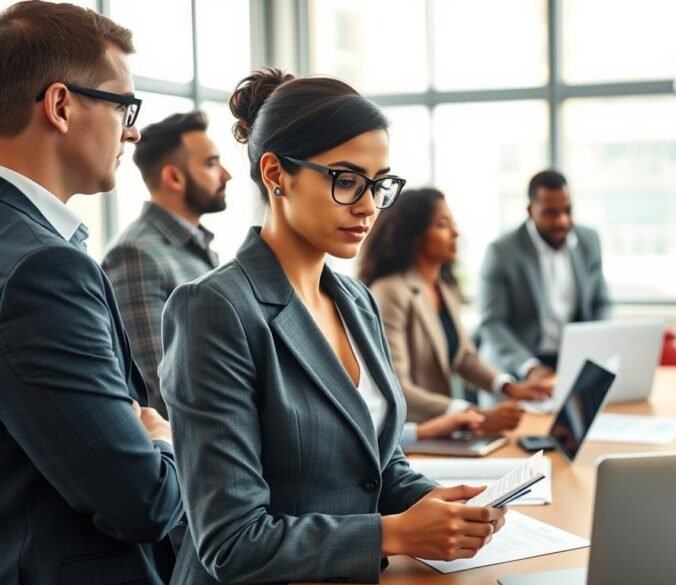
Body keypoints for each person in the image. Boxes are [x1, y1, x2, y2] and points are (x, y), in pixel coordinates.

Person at [160, 69, 505, 584]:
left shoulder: (355, 301)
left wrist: (440, 503)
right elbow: (231, 542)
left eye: (378, 183)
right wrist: (397, 533)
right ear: (276, 174)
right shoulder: (215, 309)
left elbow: (379, 469)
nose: (368, 206)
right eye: (346, 181)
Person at [0, 2, 183, 583]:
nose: (132, 129)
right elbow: (142, 502)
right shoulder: (42, 268)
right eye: (124, 105)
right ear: (60, 105)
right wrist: (167, 440)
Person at [358, 188, 552, 438]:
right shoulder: (390, 292)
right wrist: (472, 413)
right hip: (413, 435)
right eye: (442, 224)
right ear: (414, 235)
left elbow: (464, 358)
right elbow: (396, 387)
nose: (456, 232)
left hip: (449, 431)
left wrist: (510, 387)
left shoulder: (445, 287)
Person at [102, 111, 229, 416]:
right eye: (211, 164)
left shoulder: (197, 247)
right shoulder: (136, 254)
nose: (226, 175)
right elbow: (157, 388)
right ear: (173, 177)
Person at [477, 170, 613, 382]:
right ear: (530, 211)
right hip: (519, 365)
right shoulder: (501, 252)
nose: (562, 221)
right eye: (550, 213)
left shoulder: (589, 240)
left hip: (573, 361)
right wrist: (529, 367)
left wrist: (594, 348)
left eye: (567, 211)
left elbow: (601, 303)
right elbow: (492, 322)